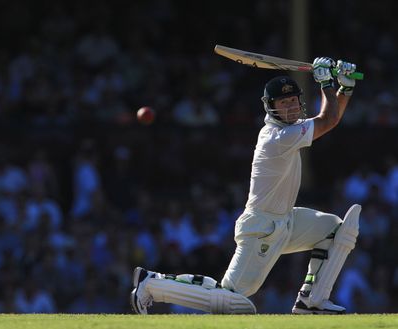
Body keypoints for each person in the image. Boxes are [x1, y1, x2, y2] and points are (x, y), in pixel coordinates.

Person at [130, 57, 362, 315]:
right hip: (262, 228)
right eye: (283, 103)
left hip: (287, 221)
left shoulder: (293, 128)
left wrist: (344, 87)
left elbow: (332, 118)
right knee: (232, 299)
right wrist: (326, 82)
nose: (290, 107)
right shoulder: (278, 137)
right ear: (270, 108)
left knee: (335, 230)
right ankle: (151, 284)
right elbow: (327, 120)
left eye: (293, 101)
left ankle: (312, 301)